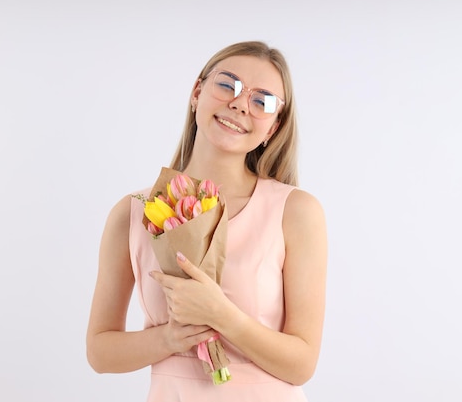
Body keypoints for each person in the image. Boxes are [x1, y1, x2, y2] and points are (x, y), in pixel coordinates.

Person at [86, 41, 328, 401]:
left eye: (262, 102)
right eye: (227, 85)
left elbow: (302, 364)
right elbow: (100, 351)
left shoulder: (296, 212)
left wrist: (222, 315)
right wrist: (168, 338)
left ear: (273, 128)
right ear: (197, 92)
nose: (239, 103)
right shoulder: (133, 212)